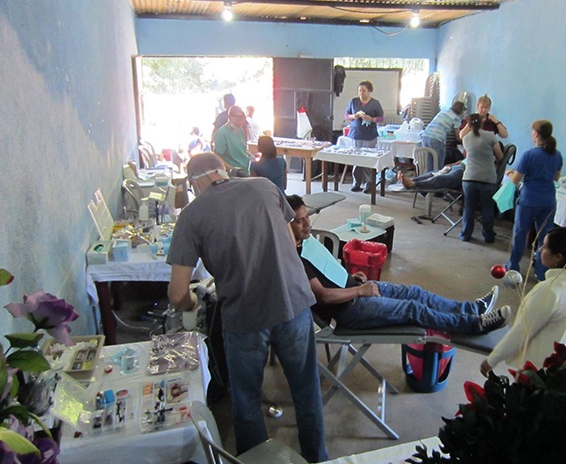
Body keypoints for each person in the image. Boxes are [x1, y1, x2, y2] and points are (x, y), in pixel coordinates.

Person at [167, 154, 328, 462]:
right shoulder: (265, 186)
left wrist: (193, 304)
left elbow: (177, 294)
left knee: (246, 402)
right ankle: (317, 457)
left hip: (245, 316)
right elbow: (287, 236)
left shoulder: (191, 215)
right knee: (307, 392)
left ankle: (255, 459)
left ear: (194, 183)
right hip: (293, 301)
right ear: (224, 170)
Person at [286, 194, 510, 335]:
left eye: (308, 216)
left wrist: (353, 279)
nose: (307, 223)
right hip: (349, 309)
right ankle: (473, 324)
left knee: (414, 292)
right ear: (285, 225)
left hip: (355, 290)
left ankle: (473, 308)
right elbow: (323, 296)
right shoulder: (293, 261)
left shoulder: (307, 246)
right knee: (412, 309)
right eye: (300, 220)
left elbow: (329, 272)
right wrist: (358, 290)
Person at [480, 227, 566, 376]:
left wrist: (491, 360)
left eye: (546, 246)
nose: (540, 249)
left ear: (558, 257)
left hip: (538, 372)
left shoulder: (548, 290)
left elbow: (521, 333)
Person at [506, 120, 563, 281]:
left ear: (536, 134)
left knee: (520, 234)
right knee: (545, 238)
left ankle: (513, 267)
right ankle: (541, 271)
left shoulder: (529, 155)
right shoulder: (556, 155)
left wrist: (509, 173)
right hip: (548, 200)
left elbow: (515, 180)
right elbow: (556, 177)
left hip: (529, 200)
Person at [460, 113, 503, 243]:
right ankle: (488, 236)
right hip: (487, 178)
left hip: (469, 178)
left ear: (469, 124)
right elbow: (500, 156)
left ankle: (465, 235)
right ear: (482, 123)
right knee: (487, 209)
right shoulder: (490, 136)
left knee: (469, 208)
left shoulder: (466, 138)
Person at [344, 81, 384, 194]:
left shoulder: (375, 103)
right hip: (356, 134)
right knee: (356, 159)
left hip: (369, 135)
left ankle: (369, 183)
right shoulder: (354, 101)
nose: (361, 93)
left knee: (368, 160)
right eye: (359, 90)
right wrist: (354, 116)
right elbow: (346, 115)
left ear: (370, 91)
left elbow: (381, 118)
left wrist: (371, 119)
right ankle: (356, 182)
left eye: (364, 90)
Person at [421, 96, 466, 170]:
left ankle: (428, 178)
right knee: (438, 164)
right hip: (436, 138)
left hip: (425, 136)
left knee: (429, 163)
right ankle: (437, 179)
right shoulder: (456, 118)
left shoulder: (443, 112)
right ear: (461, 111)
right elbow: (458, 136)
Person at [213, 105, 252, 172]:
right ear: (230, 117)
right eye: (238, 120)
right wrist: (232, 169)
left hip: (245, 168)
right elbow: (217, 156)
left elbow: (241, 150)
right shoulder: (222, 133)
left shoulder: (240, 130)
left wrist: (250, 155)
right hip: (233, 172)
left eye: (243, 121)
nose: (240, 123)